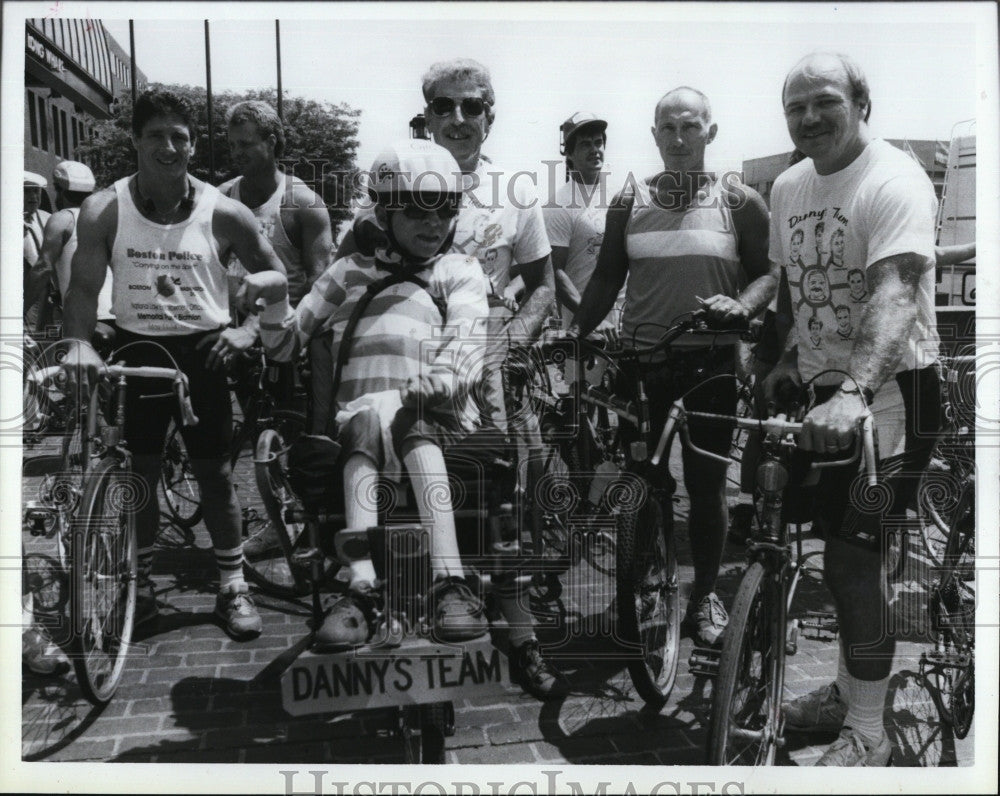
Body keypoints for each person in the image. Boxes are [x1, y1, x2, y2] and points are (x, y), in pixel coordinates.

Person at [333, 58, 564, 699]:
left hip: (487, 363)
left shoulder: (517, 192)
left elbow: (543, 287)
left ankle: (520, 633)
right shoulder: (389, 181)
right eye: (444, 106)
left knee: (500, 503)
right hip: (401, 366)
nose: (458, 119)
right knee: (387, 476)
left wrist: (509, 344)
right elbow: (348, 277)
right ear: (425, 113)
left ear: (491, 116)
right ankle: (377, 597)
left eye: (472, 107)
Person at [765, 52, 943, 766]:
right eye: (795, 107)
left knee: (854, 560)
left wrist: (854, 393)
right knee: (828, 558)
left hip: (893, 395)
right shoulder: (786, 186)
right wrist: (783, 360)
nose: (808, 118)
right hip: (823, 395)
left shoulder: (893, 179)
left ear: (861, 101)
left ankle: (868, 733)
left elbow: (896, 291)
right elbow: (789, 288)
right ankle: (847, 693)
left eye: (823, 102)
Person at [60, 89, 289, 641]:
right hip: (139, 350)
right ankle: (140, 588)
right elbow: (85, 289)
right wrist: (78, 343)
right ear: (136, 141)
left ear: (192, 143)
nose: (170, 147)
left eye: (180, 137)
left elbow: (277, 277)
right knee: (140, 473)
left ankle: (233, 585)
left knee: (213, 473)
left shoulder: (224, 210)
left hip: (204, 351)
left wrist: (247, 329)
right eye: (157, 135)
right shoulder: (104, 208)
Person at [246, 139, 492, 651]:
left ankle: (438, 580)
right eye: (418, 209)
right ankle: (366, 586)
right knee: (368, 416)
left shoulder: (458, 271)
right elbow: (286, 343)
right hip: (359, 432)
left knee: (408, 412)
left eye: (447, 209)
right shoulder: (347, 272)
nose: (435, 224)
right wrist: (273, 298)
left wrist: (443, 380)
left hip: (437, 422)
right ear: (384, 211)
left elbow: (469, 338)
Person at [568, 86, 776, 647]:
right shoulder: (627, 202)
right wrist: (573, 335)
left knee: (707, 490)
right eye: (669, 129)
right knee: (642, 483)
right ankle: (638, 590)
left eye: (691, 127)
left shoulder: (741, 203)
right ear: (655, 134)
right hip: (642, 367)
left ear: (711, 131)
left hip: (711, 367)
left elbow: (767, 274)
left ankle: (704, 595)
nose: (680, 139)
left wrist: (745, 304)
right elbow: (608, 279)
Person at [220, 100, 333, 307]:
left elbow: (319, 281)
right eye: (232, 145)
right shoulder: (223, 197)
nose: (236, 153)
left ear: (271, 142)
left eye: (245, 144)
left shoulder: (303, 203)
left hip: (282, 328)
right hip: (229, 330)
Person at [24, 161, 116, 336]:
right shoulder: (105, 220)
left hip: (86, 319)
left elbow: (43, 267)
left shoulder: (62, 219)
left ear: (60, 191)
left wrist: (19, 310)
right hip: (116, 316)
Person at [24, 172, 52, 331]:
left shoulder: (47, 218)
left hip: (48, 294)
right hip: (24, 292)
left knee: (49, 342)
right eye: (26, 191)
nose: (33, 196)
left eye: (36, 191)